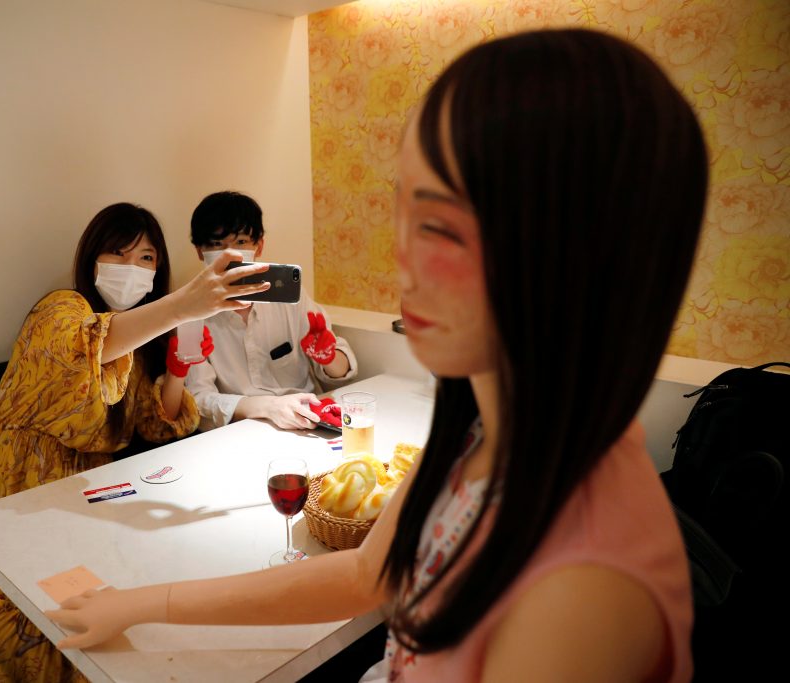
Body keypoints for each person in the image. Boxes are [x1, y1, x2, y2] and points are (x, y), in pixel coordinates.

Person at [47, 28, 707, 683]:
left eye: (438, 224)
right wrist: (143, 603)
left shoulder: (582, 593)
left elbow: (336, 374)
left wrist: (320, 349)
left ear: (576, 253)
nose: (400, 258)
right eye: (400, 210)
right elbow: (368, 572)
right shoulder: (477, 432)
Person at [0, 202, 270, 682]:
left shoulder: (141, 341)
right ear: (91, 258)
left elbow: (160, 422)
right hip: (26, 489)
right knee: (54, 622)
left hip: (98, 500)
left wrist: (179, 370)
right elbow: (86, 346)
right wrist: (186, 304)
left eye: (145, 259)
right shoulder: (60, 307)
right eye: (117, 253)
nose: (131, 268)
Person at [185, 191, 359, 431]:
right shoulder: (191, 312)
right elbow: (198, 398)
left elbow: (340, 372)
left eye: (241, 242)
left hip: (306, 421)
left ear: (259, 245)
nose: (229, 253)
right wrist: (267, 407)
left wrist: (328, 357)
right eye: (216, 244)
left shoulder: (290, 297)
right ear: (199, 251)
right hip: (240, 430)